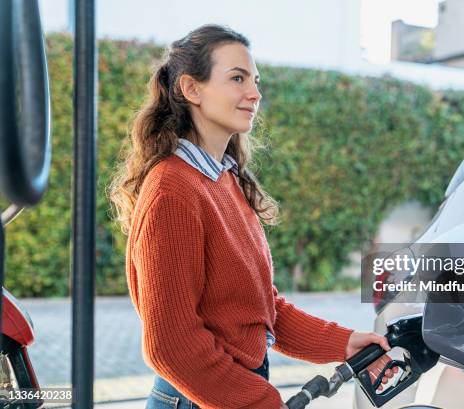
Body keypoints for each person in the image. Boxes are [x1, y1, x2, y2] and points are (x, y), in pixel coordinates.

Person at [109, 24, 398, 409]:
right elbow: (172, 345)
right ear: (191, 89)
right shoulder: (172, 191)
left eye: (255, 80)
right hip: (199, 399)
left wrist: (343, 343)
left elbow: (262, 308)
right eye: (237, 78)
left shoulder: (224, 179)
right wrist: (260, 402)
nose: (255, 93)